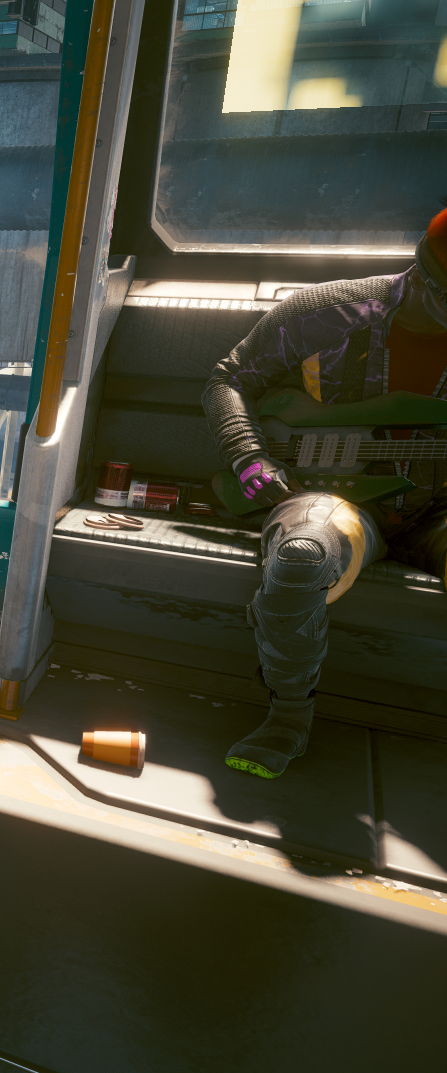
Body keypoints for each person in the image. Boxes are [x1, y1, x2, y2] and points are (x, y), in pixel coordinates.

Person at [203, 206, 447, 779]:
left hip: (439, 510)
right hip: (342, 501)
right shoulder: (328, 313)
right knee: (301, 555)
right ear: (423, 276)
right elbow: (229, 378)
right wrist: (249, 455)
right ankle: (287, 717)